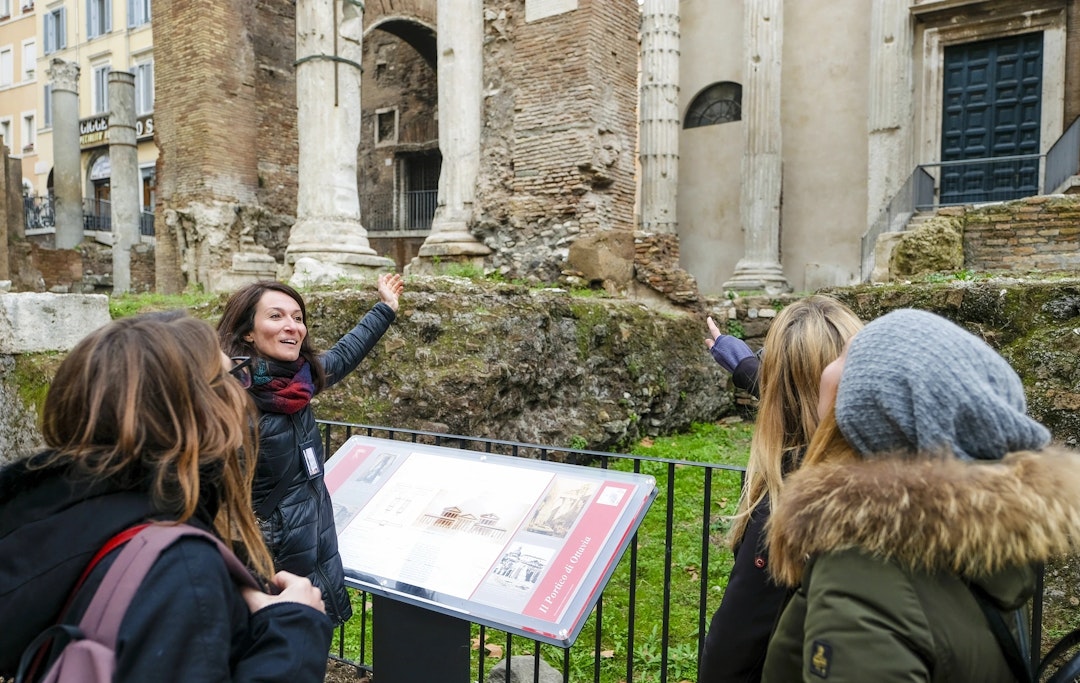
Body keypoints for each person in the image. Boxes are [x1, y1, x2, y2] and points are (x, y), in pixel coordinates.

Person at [0, 311, 332, 681]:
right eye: (232, 377)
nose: (243, 394)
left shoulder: (59, 521)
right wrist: (293, 631)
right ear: (198, 412)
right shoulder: (181, 564)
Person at [762, 308, 1080, 682]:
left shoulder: (862, 571)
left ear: (876, 411)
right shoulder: (976, 547)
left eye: (846, 354)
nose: (828, 368)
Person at [217, 273, 404, 625]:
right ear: (247, 332)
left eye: (298, 317)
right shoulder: (227, 398)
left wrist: (386, 308)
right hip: (264, 562)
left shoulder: (299, 379)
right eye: (276, 316)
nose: (292, 326)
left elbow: (347, 352)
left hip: (315, 545)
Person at [698, 296, 863, 683]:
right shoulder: (889, 472)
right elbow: (806, 398)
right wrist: (743, 365)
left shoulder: (789, 507)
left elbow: (729, 655)